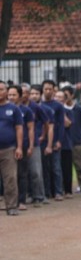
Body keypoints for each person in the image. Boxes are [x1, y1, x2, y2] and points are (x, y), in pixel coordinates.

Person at [0, 81, 24, 216]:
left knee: (10, 178)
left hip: (8, 149)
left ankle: (11, 206)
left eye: (2, 89)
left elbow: (19, 128)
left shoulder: (14, 109)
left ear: (6, 91)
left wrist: (19, 147)